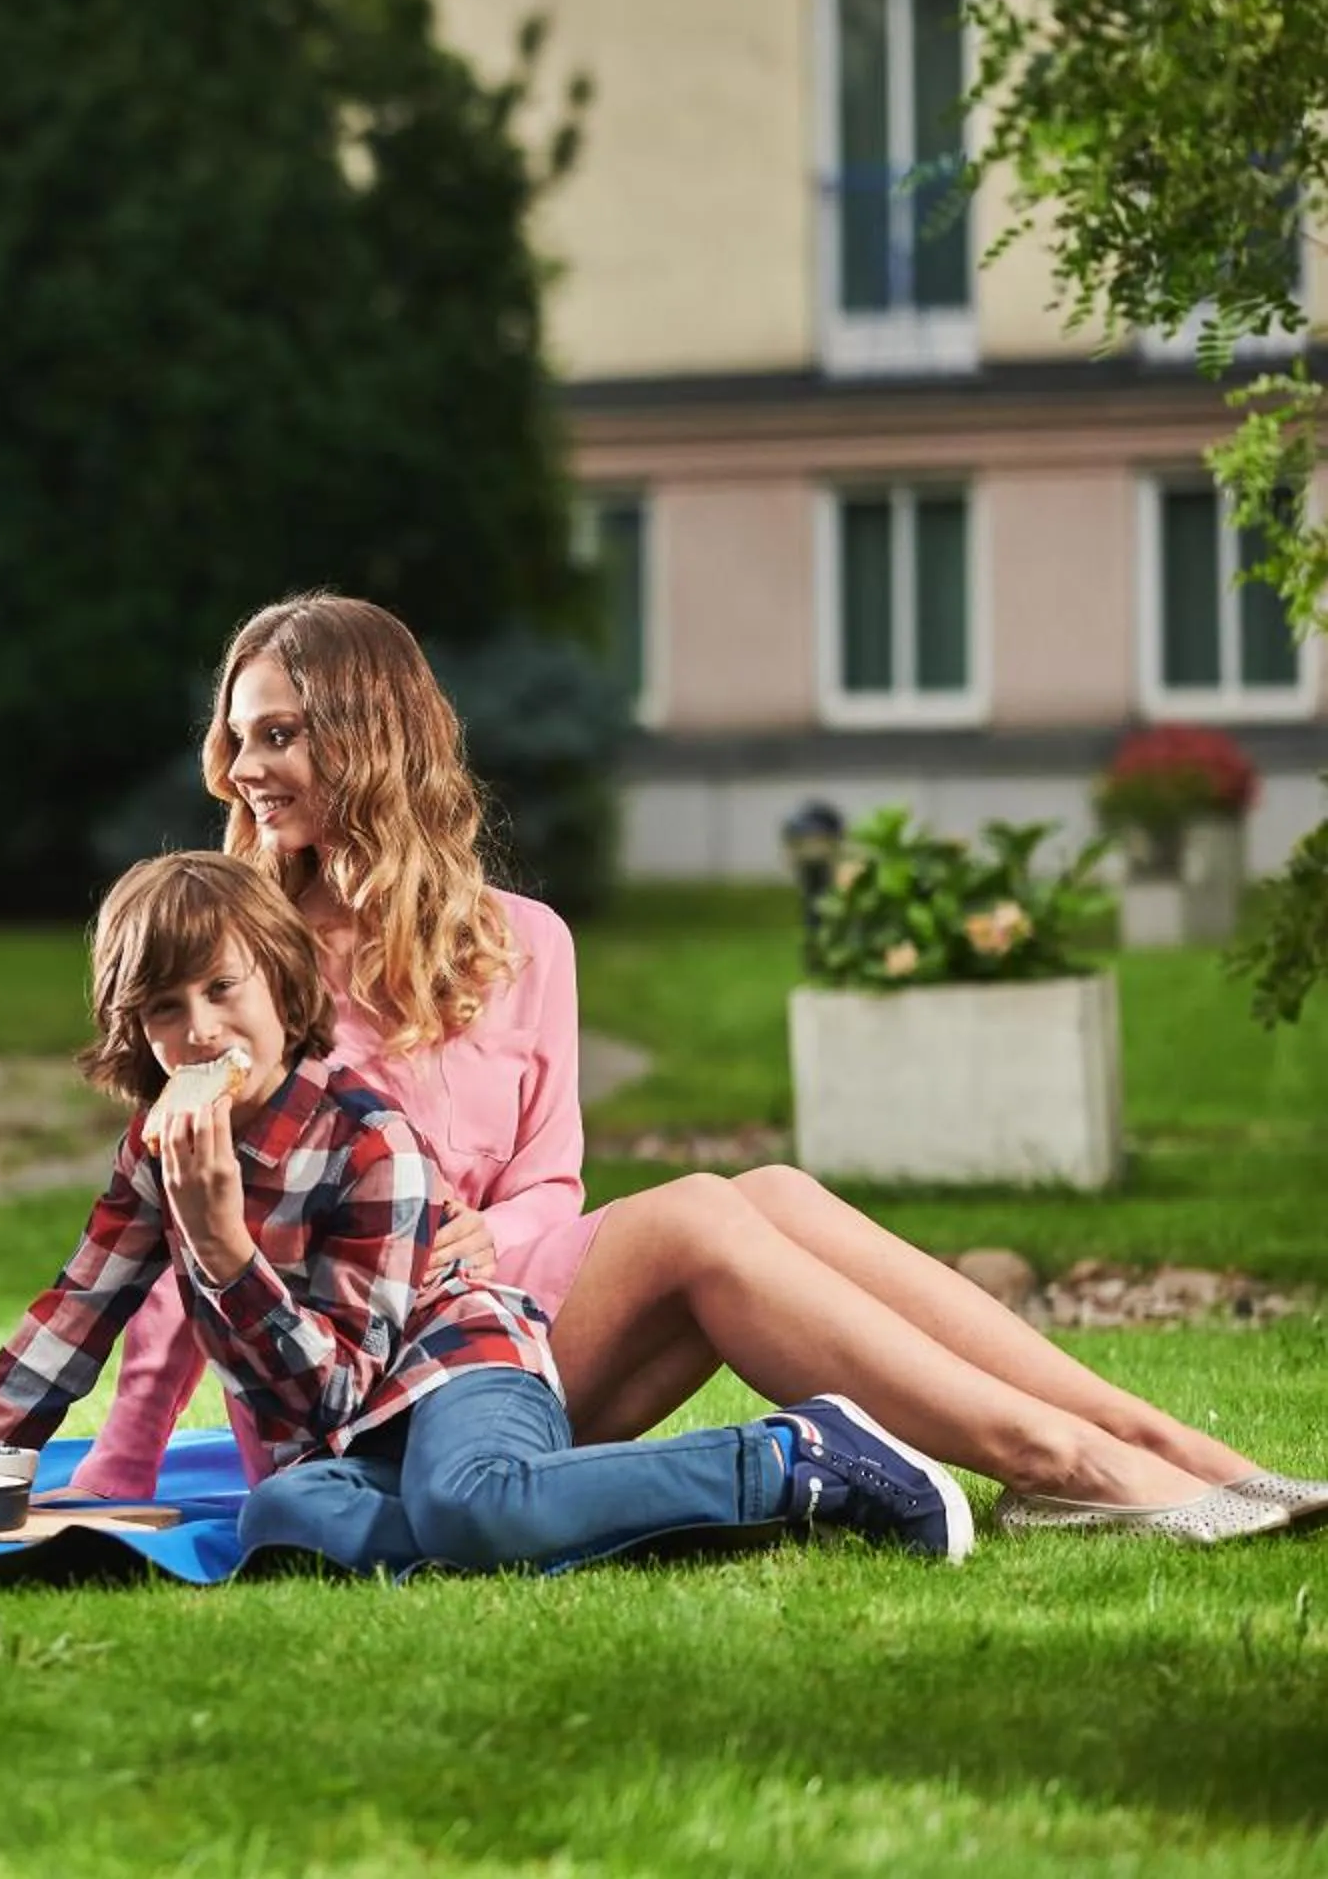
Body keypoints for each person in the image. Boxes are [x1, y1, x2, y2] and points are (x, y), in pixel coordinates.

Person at [73, 592, 1314, 1546]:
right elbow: (183, 1227)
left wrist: (498, 1238)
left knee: (767, 1192)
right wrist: (121, 1470)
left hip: (505, 1331)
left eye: (280, 733)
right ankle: (1063, 1464)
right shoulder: (243, 974)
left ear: (371, 736)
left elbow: (552, 1183)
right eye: (239, 737)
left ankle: (1155, 1438)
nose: (245, 767)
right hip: (364, 1385)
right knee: (700, 1218)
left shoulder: (523, 943)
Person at [0, 851, 970, 1572]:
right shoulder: (160, 1151)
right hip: (347, 1446)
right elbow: (77, 1309)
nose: (200, 1030)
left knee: (467, 1499)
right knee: (278, 1516)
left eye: (222, 989)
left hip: (457, 1369)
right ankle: (551, 1519)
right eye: (164, 1009)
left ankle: (798, 1455)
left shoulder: (370, 1141)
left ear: (279, 979)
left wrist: (227, 1252)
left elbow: (340, 1386)